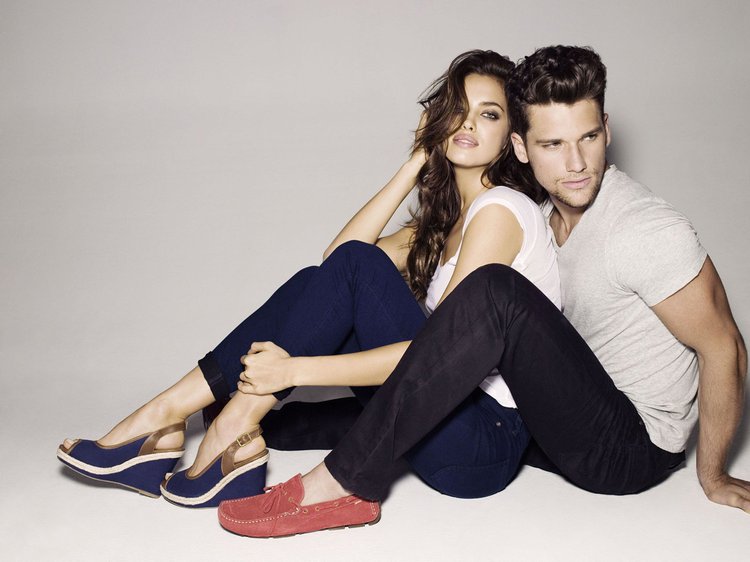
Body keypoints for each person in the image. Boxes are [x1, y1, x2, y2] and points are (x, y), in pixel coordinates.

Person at [217, 45, 749, 538]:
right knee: (320, 410)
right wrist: (419, 158)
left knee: (494, 291)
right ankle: (228, 407)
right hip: (551, 416)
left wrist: (714, 475)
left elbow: (725, 346)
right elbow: (341, 267)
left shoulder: (645, 229)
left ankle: (344, 482)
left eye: (588, 138)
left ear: (607, 130)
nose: (576, 164)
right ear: (521, 147)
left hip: (629, 445)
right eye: (553, 144)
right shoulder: (541, 213)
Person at [57, 50, 561, 507]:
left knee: (357, 270)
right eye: (458, 109)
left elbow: (437, 356)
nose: (467, 123)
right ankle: (174, 417)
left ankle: (201, 426)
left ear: (511, 139)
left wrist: (293, 371)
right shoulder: (446, 222)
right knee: (321, 277)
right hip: (440, 417)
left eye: (488, 114)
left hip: (481, 442)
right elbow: (335, 265)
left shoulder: (502, 210)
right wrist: (415, 162)